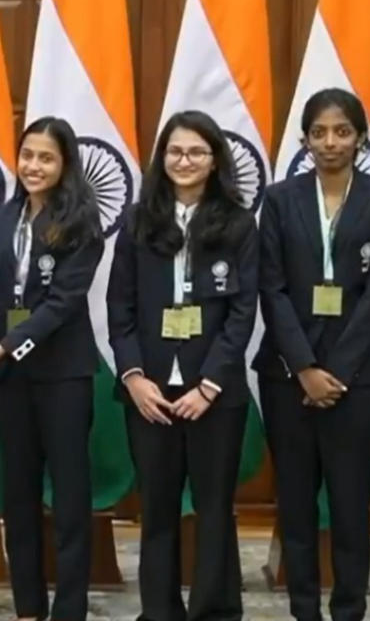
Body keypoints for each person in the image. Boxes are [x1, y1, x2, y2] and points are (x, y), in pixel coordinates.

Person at [254, 88, 370, 621]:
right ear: (305, 139)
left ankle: (348, 609)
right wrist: (305, 368)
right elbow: (270, 288)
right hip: (285, 377)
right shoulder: (279, 199)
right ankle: (303, 610)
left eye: (342, 131)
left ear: (360, 138)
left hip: (356, 381)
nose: (330, 141)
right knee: (294, 502)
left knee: (348, 505)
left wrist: (335, 371)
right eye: (319, 132)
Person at [106, 111, 257, 621]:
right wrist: (133, 380)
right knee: (158, 511)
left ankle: (215, 610)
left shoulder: (238, 223)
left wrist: (209, 385)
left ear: (214, 160)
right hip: (149, 393)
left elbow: (243, 312)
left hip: (213, 394)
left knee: (214, 509)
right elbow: (118, 307)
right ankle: (160, 612)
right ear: (161, 158)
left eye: (196, 152)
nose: (184, 161)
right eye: (175, 151)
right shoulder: (136, 220)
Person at [0, 116, 102, 621]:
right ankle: (28, 607)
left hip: (64, 375)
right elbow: (10, 294)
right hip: (15, 380)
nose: (33, 166)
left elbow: (62, 303)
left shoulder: (82, 222)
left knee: (68, 498)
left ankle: (69, 609)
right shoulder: (7, 216)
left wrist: (6, 346)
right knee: (18, 495)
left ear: (65, 164)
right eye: (27, 156)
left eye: (46, 158)